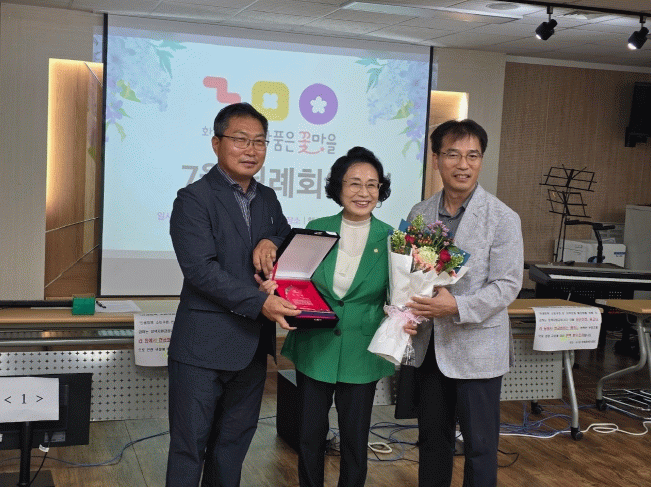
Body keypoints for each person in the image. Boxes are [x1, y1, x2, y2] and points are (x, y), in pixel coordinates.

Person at [166, 102, 301, 487]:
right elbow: (200, 270)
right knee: (189, 448)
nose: (251, 149)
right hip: (202, 349)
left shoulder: (268, 197)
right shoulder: (193, 199)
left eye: (259, 141)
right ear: (216, 143)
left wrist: (270, 239)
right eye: (241, 139)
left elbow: (285, 236)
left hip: (251, 349)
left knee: (232, 447)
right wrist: (261, 302)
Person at [404, 119, 523, 487]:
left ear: (481, 160)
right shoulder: (420, 213)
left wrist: (456, 306)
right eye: (453, 154)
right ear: (436, 159)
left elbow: (507, 285)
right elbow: (411, 275)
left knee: (480, 447)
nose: (463, 165)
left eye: (473, 156)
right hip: (430, 348)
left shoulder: (502, 218)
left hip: (478, 350)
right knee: (432, 442)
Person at [279, 147, 395, 487]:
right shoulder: (317, 229)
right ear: (338, 187)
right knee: (309, 436)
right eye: (354, 183)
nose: (364, 192)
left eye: (372, 184)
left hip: (362, 349)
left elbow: (399, 296)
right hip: (315, 345)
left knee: (355, 441)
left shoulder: (393, 238)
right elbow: (295, 280)